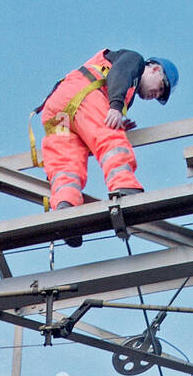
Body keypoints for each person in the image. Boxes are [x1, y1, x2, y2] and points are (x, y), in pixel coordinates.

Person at [36, 51, 178, 244]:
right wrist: (115, 107)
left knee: (66, 164)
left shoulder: (126, 87)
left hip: (59, 111)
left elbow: (90, 121)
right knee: (112, 140)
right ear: (154, 69)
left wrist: (115, 111)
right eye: (161, 87)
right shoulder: (134, 60)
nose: (157, 94)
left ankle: (65, 207)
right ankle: (125, 187)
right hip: (83, 94)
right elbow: (121, 72)